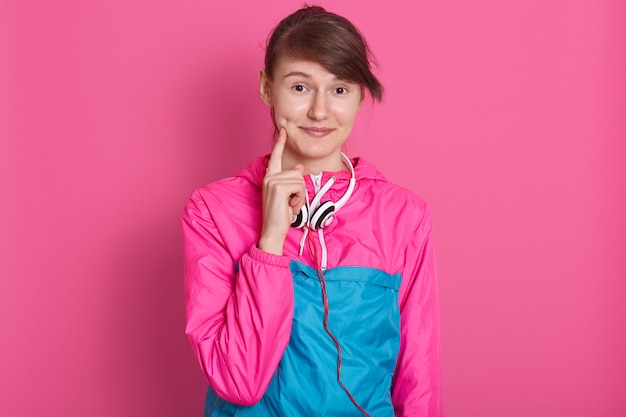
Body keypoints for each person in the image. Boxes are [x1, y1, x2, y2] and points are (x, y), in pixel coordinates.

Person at [182, 5, 442, 416]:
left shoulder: (403, 215)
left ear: (360, 97)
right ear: (267, 88)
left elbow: (418, 373)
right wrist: (268, 245)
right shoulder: (212, 211)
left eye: (340, 90)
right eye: (300, 87)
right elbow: (239, 382)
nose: (320, 112)